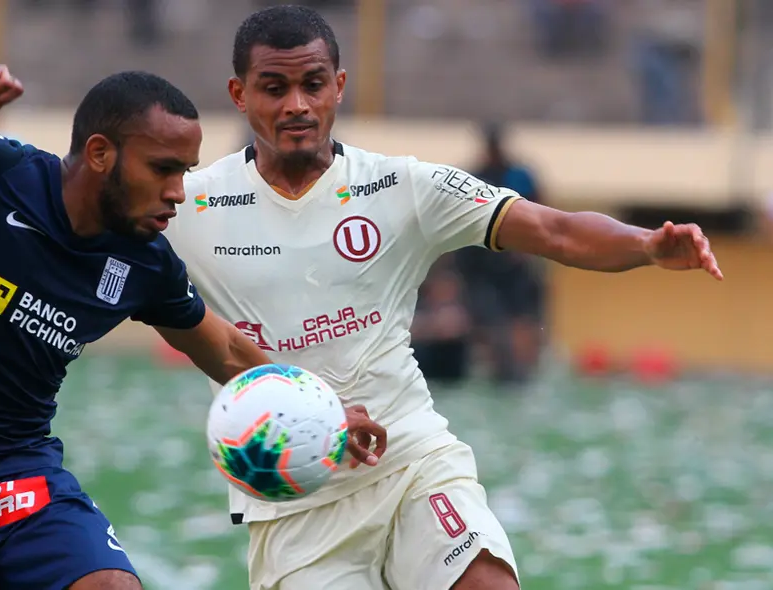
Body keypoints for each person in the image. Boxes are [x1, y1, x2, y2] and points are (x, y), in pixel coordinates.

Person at [164, 5, 722, 590]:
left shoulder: (402, 185)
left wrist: (646, 245)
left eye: (313, 84)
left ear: (339, 86)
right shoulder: (192, 204)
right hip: (294, 500)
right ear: (239, 93)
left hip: (410, 461)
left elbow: (553, 230)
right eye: (274, 88)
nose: (297, 105)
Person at [0, 53, 385, 590]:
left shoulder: (144, 260)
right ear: (102, 153)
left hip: (20, 477)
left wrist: (325, 409)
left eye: (185, 170)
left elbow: (228, 350)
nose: (178, 192)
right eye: (163, 169)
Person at [453, 122, 545, 385]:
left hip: (515, 259)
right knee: (490, 322)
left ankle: (522, 371)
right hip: (482, 261)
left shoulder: (520, 175)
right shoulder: (474, 175)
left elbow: (538, 208)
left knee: (522, 318)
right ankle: (500, 369)